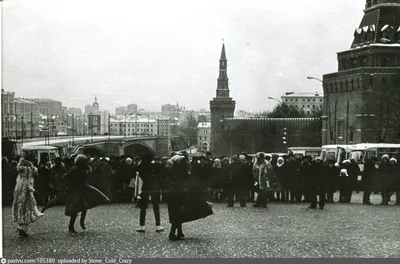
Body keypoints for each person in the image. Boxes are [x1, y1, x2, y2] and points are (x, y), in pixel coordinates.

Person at [64, 154, 110, 234]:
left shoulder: (79, 169)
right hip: (76, 191)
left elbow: (66, 177)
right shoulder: (76, 169)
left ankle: (80, 224)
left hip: (80, 191)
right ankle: (71, 227)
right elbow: (66, 177)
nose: (87, 163)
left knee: (83, 207)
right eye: (86, 162)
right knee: (75, 210)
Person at [12, 158, 44, 237]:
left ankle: (21, 228)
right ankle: (22, 230)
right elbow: (26, 184)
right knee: (26, 211)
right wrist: (33, 190)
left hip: (19, 193)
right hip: (26, 194)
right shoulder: (27, 171)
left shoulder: (21, 172)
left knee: (22, 210)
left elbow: (21, 183)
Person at [136, 154, 164, 233]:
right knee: (156, 206)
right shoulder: (157, 166)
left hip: (145, 187)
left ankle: (142, 226)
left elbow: (135, 172)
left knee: (143, 207)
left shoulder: (141, 166)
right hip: (155, 187)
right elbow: (162, 175)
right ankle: (158, 225)